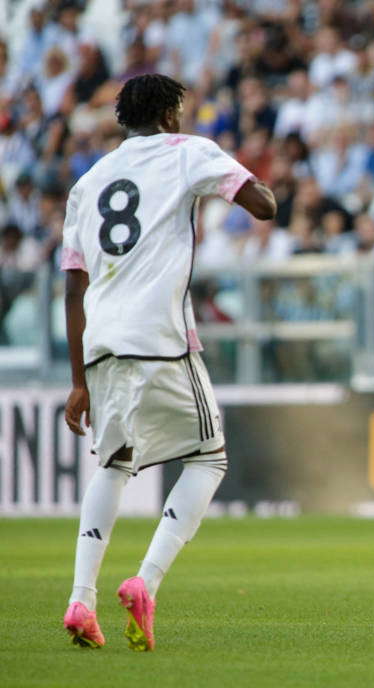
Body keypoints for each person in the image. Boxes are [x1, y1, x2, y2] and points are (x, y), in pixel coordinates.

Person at [61, 74, 275, 651]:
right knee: (209, 458)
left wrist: (77, 381)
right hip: (160, 338)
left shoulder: (88, 182)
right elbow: (265, 206)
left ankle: (81, 598)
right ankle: (145, 582)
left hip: (100, 344)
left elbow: (72, 289)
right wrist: (227, 179)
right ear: (171, 114)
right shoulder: (189, 152)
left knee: (113, 464)